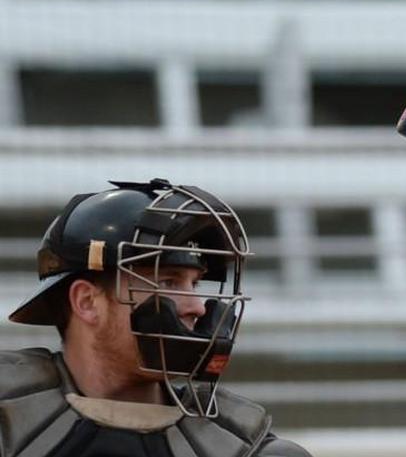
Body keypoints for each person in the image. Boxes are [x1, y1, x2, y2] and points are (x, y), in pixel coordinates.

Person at [1, 179, 310, 457]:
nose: (197, 307)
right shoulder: (10, 427)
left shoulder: (243, 449)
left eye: (195, 283)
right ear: (87, 302)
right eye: (167, 282)